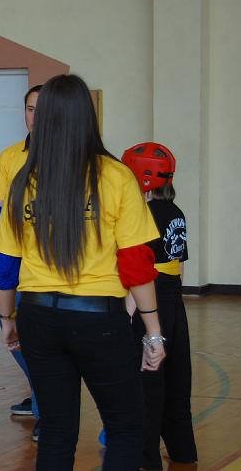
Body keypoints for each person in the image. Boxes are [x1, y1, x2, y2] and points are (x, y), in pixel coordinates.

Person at [0, 74, 166, 470]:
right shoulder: (116, 176)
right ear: (88, 116)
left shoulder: (23, 180)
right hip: (98, 320)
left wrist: (7, 318)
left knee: (55, 431)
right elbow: (136, 264)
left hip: (37, 317)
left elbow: (3, 264)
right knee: (125, 429)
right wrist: (153, 332)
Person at [122, 142, 198, 470]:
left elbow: (140, 273)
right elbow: (178, 266)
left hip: (148, 304)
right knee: (178, 380)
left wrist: (126, 317)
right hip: (174, 303)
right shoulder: (176, 213)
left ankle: (146, 458)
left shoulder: (143, 215)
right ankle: (183, 451)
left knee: (148, 384)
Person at [0, 84, 42, 438]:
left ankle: (48, 407)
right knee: (13, 333)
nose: (35, 116)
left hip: (49, 268)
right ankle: (42, 394)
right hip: (13, 261)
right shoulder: (9, 157)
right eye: (30, 109)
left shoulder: (69, 158)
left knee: (42, 338)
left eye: (41, 110)